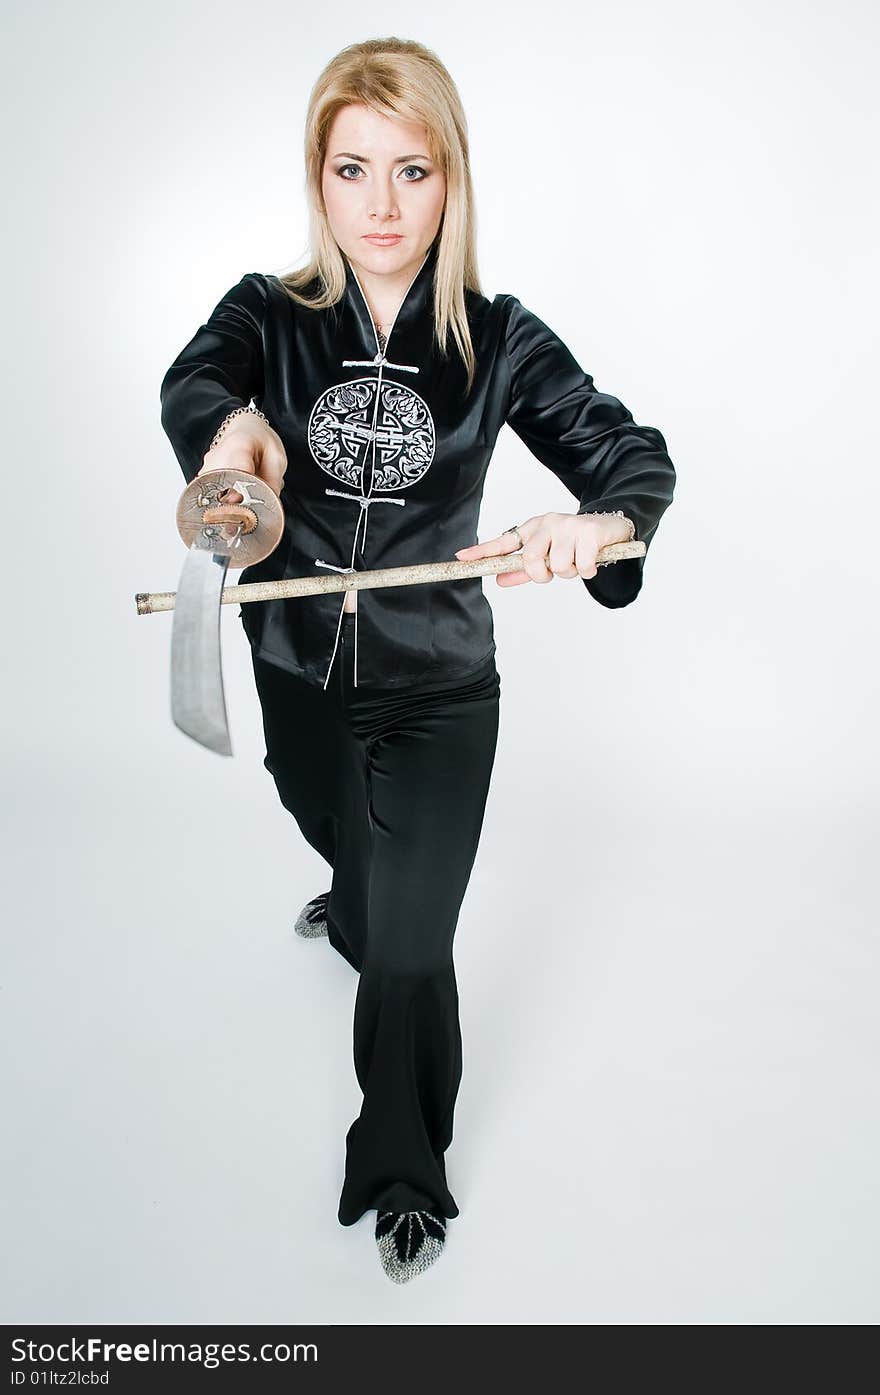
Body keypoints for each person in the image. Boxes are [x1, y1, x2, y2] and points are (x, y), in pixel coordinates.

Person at [159, 36, 676, 1284]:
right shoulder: (267, 316)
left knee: (406, 948)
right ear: (317, 179)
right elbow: (198, 383)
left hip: (441, 684)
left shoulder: (496, 340)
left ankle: (402, 1168)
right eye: (352, 170)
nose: (380, 206)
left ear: (451, 182)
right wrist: (234, 440)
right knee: (328, 829)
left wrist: (593, 527)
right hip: (291, 663)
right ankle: (352, 885)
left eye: (411, 171)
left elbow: (632, 460)